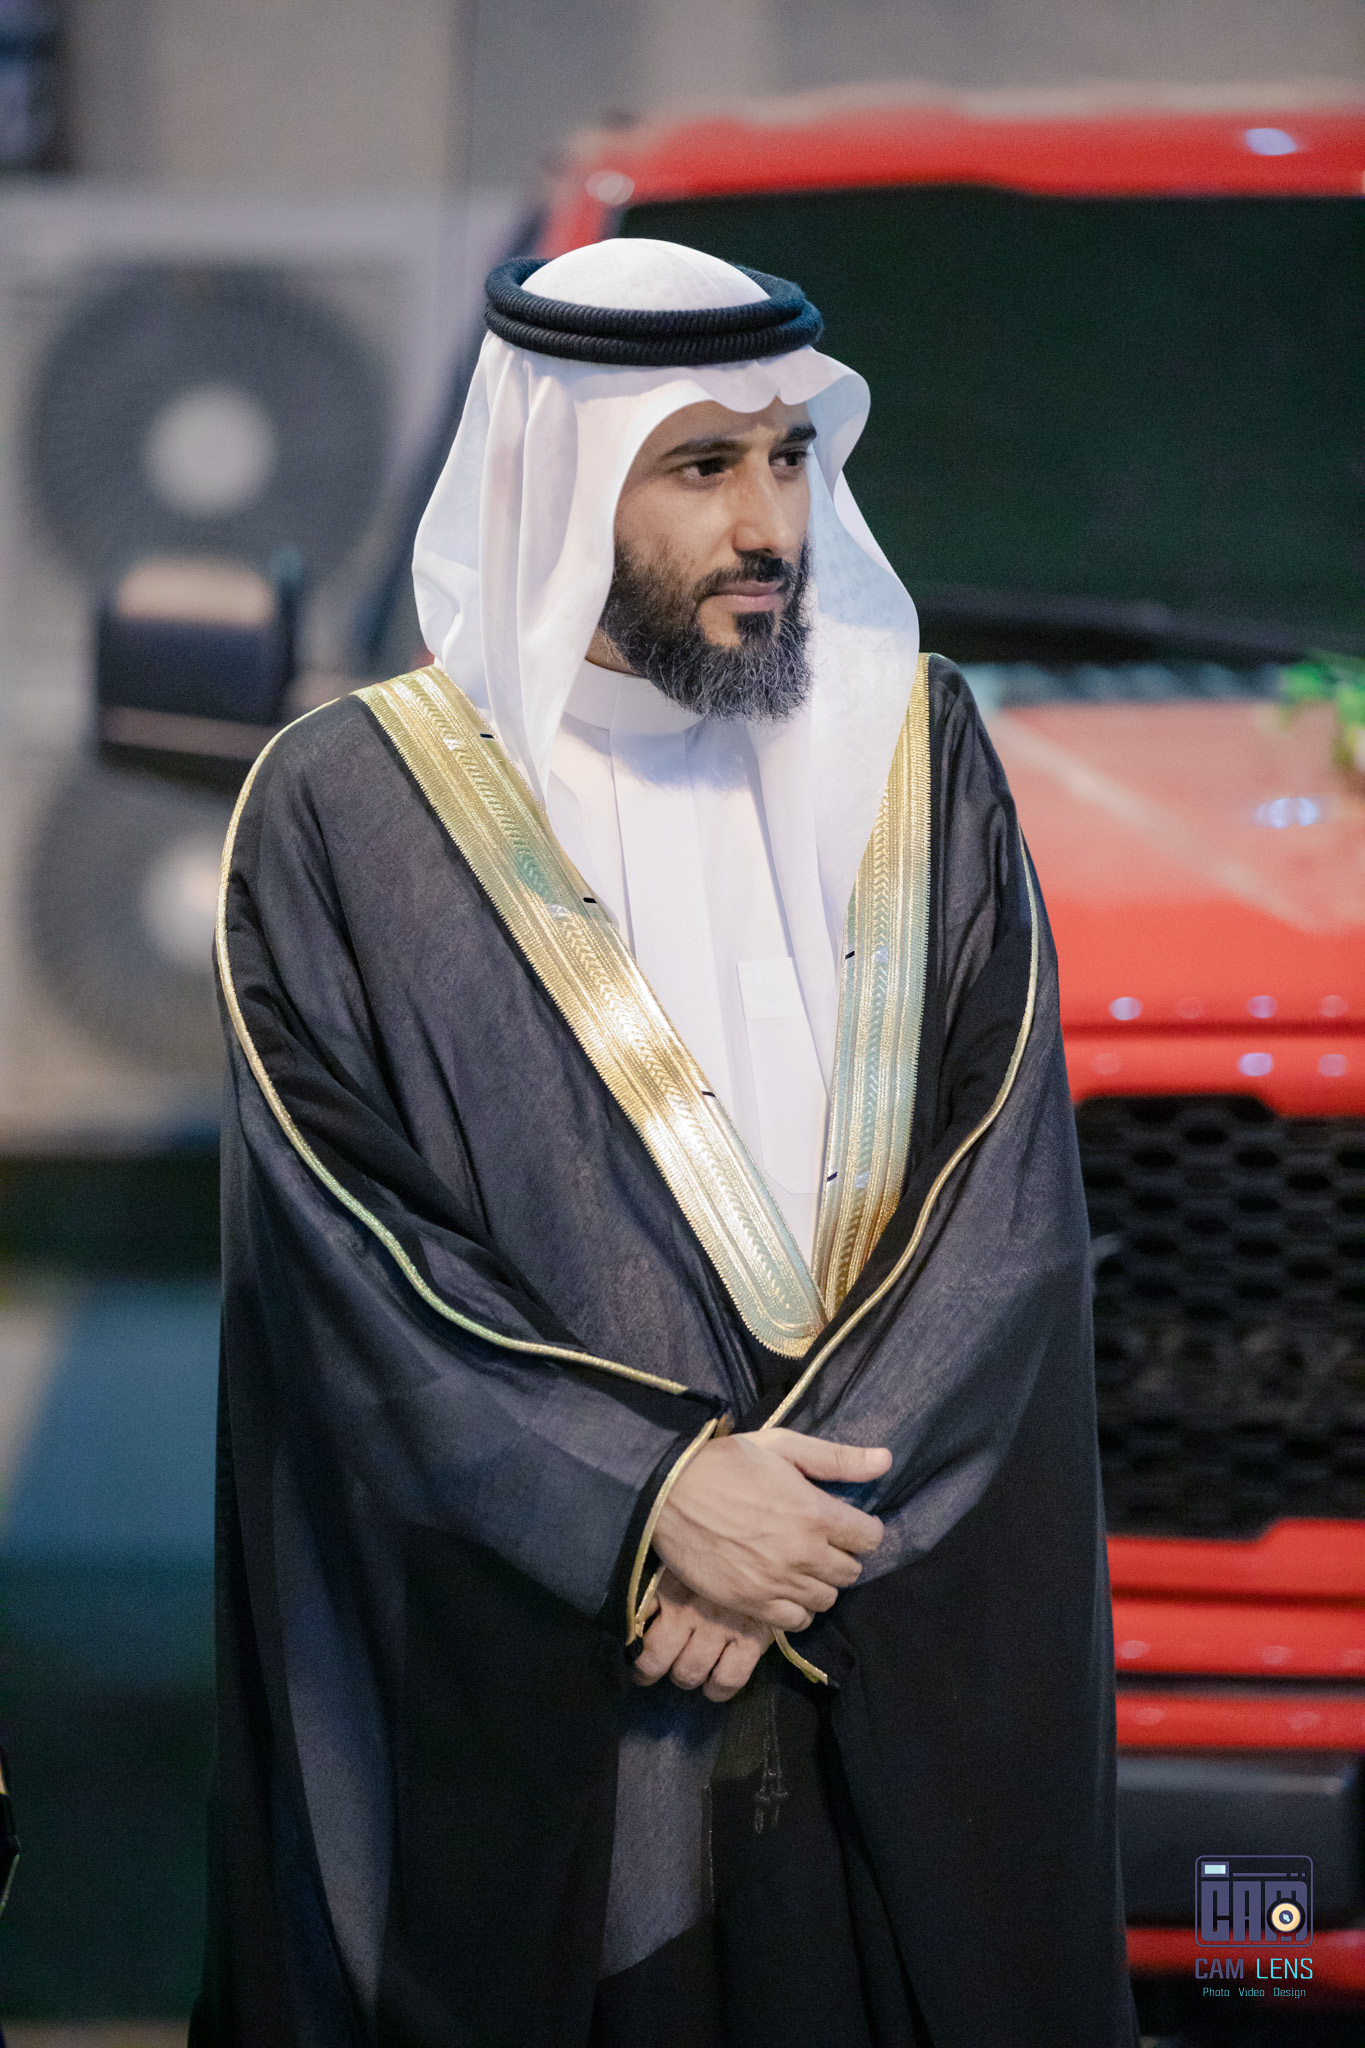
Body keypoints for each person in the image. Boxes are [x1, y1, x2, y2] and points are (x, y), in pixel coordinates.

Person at [193, 238, 1137, 2048]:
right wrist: (643, 1501)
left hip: (872, 1624)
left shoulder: (916, 755)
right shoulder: (345, 812)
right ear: (558, 485)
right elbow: (347, 1258)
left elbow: (1001, 1207)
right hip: (551, 1677)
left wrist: (790, 1529)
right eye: (701, 467)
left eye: (788, 458)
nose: (767, 523)